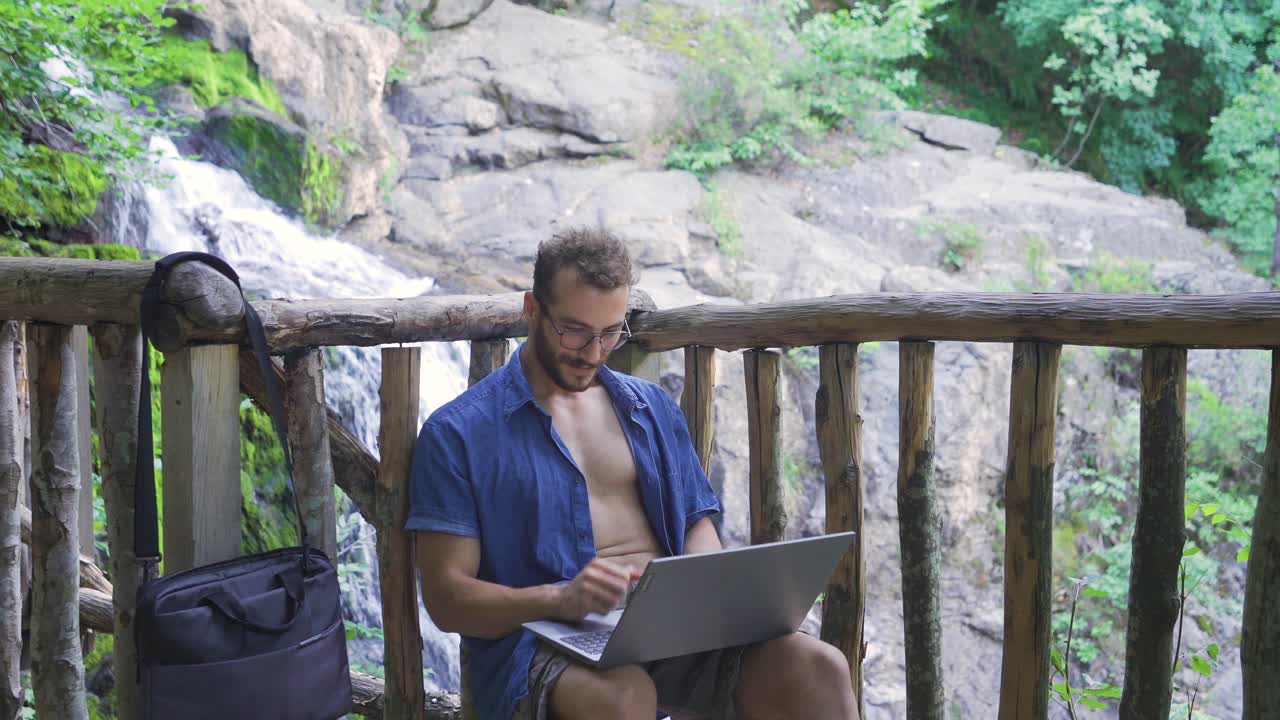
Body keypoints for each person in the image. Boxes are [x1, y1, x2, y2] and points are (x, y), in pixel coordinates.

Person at [407, 227, 859, 720]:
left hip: (673, 629)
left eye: (610, 333)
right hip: (545, 644)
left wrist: (715, 595)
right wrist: (560, 598)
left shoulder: (649, 408)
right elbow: (447, 599)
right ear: (532, 310)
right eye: (574, 331)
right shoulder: (459, 433)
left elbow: (695, 527)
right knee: (623, 696)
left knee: (818, 665)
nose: (593, 353)